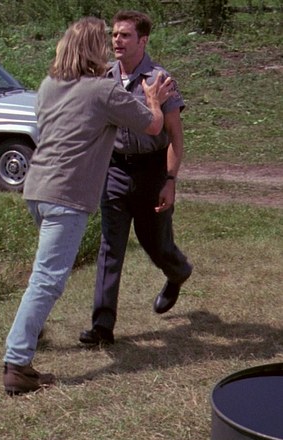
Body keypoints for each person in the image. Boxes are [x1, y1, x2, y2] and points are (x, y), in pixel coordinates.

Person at [2, 16, 175, 395]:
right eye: (105, 41)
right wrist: (152, 99)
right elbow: (152, 125)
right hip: (66, 197)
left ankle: (31, 330)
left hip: (36, 189)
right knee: (48, 279)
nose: (112, 46)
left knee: (43, 274)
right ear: (94, 50)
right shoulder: (103, 90)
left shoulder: (48, 86)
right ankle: (17, 364)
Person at [79, 11, 193, 347]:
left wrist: (170, 180)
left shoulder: (160, 80)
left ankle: (178, 272)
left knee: (156, 244)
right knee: (110, 247)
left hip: (152, 171)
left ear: (143, 40)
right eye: (115, 34)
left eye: (125, 35)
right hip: (115, 170)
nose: (117, 40)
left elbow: (175, 137)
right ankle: (102, 326)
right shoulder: (104, 77)